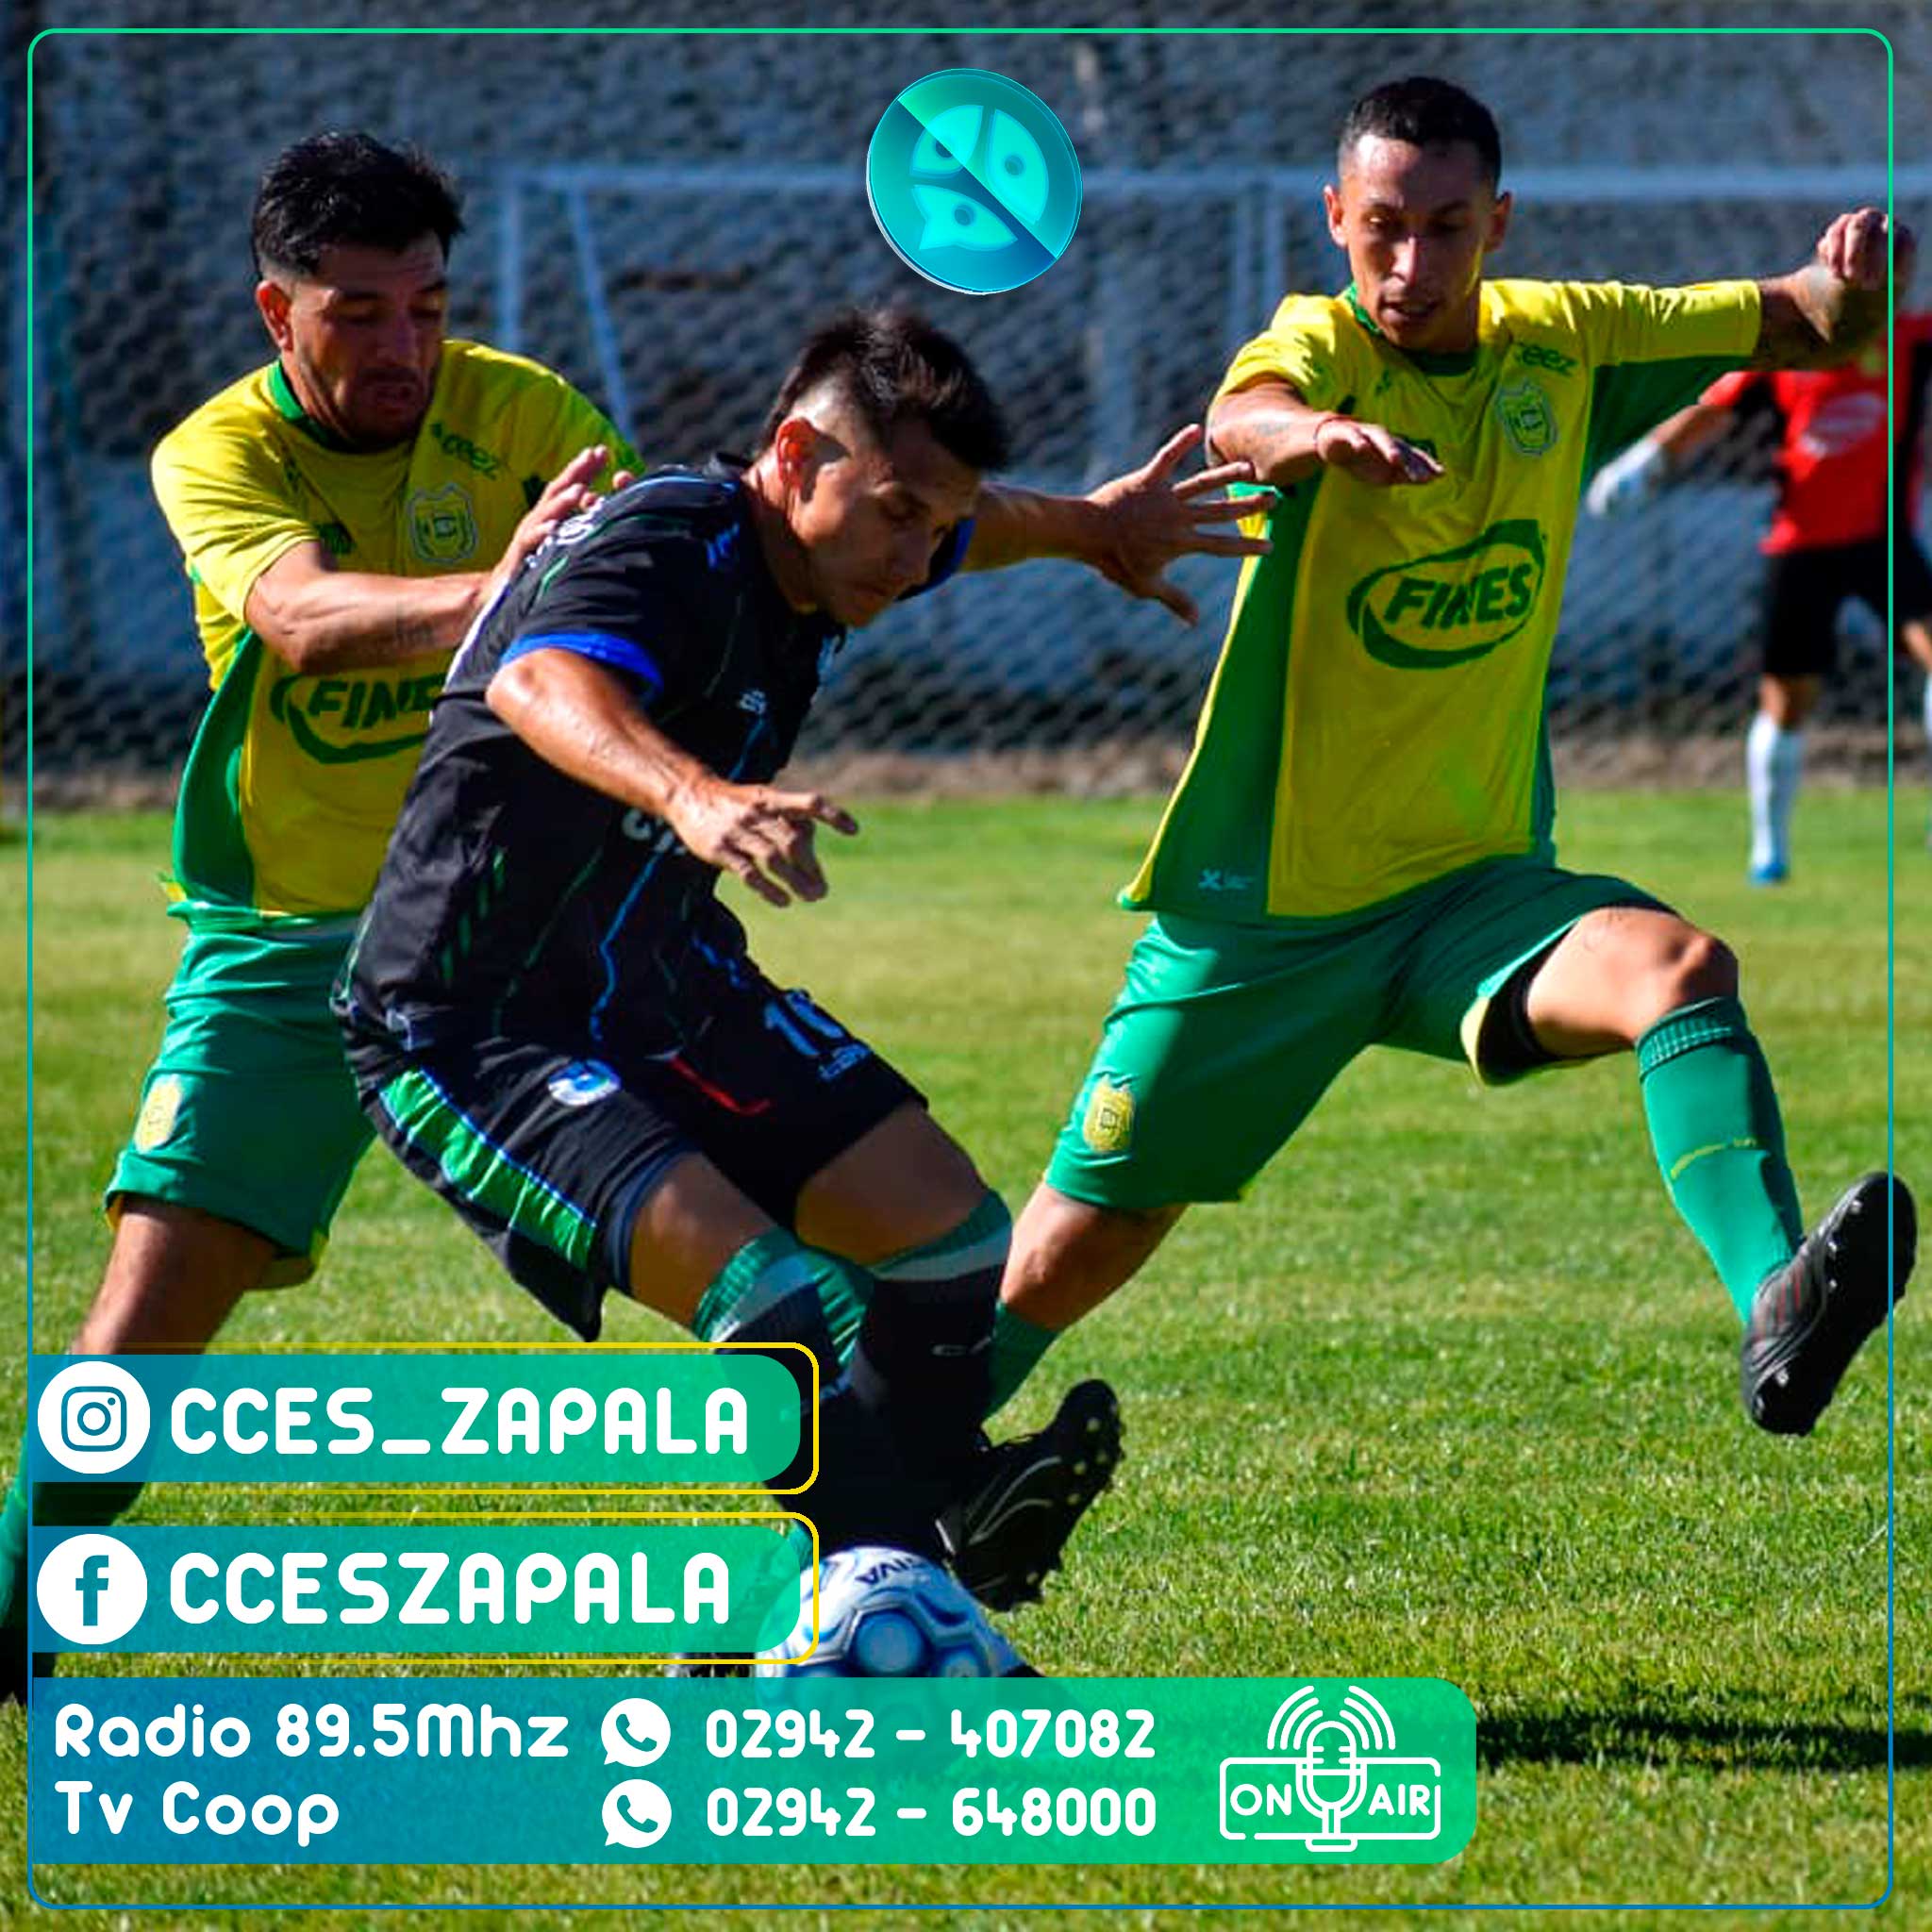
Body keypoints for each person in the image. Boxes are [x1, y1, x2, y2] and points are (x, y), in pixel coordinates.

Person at [984, 75, 1916, 1457]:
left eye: (1445, 228)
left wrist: (1856, 287)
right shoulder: (1323, 343)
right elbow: (1245, 412)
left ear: (1499, 222)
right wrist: (1314, 437)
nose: (1409, 264)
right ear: (1334, 218)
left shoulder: (1565, 341)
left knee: (1680, 970)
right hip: (1269, 914)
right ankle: (885, 1467)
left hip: (1471, 893)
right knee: (1078, 1246)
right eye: (1381, 228)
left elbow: (1804, 322)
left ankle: (1775, 1301)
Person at [331, 306, 1271, 1639]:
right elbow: (538, 681)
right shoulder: (669, 540)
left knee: (953, 1239)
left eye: (933, 525)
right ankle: (921, 1607)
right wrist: (692, 793)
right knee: (768, 1298)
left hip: (659, 979)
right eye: (898, 515)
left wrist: (1093, 525)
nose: (918, 553)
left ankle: (845, 1584)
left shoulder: (845, 550)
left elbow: (977, 523)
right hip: (471, 1021)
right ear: (792, 455)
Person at [2, 131, 645, 1695]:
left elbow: (673, 569)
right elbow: (297, 619)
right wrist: (508, 588)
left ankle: (872, 1584)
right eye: (357, 314)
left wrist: (1034, 524)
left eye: (427, 307)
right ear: (275, 312)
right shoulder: (216, 451)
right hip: (291, 941)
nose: (403, 347)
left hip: (517, 927)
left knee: (785, 1230)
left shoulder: (522, 413)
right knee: (140, 1338)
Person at [1587, 301, 1932, 882]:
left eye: (1898, 269)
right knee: (1787, 702)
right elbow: (1712, 410)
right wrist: (1642, 465)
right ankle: (1769, 853)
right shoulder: (1791, 351)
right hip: (1799, 547)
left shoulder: (1913, 339)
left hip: (1883, 541)